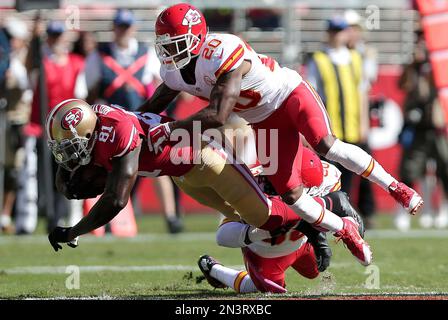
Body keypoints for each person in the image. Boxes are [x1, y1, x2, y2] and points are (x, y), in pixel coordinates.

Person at [137, 3, 422, 264]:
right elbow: (151, 108)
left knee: (326, 145)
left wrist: (170, 128)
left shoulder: (220, 51)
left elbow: (218, 116)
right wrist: (132, 123)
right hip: (263, 121)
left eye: (176, 44)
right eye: (165, 46)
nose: (170, 53)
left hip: (288, 94)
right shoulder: (173, 72)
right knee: (292, 195)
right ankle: (344, 229)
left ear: (197, 38)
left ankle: (396, 187)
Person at [45, 99, 366, 269]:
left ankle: (329, 206)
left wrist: (74, 231)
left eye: (73, 147)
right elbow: (81, 172)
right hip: (182, 172)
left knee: (262, 216)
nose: (71, 156)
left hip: (205, 155)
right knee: (250, 221)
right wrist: (68, 180)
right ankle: (311, 226)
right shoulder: (97, 127)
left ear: (91, 132)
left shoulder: (116, 131)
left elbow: (116, 199)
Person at [197, 151, 363, 294]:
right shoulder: (252, 187)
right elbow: (223, 235)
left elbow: (323, 205)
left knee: (314, 271)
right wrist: (261, 231)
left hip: (300, 241)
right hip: (265, 252)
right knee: (267, 289)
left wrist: (318, 231)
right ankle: (213, 269)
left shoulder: (322, 175)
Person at [86, 9, 182, 233]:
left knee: (160, 166)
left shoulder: (145, 53)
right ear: (114, 28)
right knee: (110, 171)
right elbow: (89, 91)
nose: (123, 31)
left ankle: (171, 217)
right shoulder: (99, 55)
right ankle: (107, 221)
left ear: (133, 29)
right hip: (112, 124)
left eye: (126, 27)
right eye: (120, 26)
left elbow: (160, 85)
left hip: (140, 120)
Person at [307, 16, 376, 228]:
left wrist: (364, 123)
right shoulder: (318, 59)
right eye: (334, 31)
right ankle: (334, 217)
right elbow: (311, 93)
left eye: (341, 31)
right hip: (331, 129)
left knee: (362, 172)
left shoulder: (356, 57)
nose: (338, 35)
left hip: (354, 126)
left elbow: (362, 91)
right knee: (333, 176)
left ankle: (365, 214)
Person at [395, 30, 448, 230]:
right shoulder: (413, 67)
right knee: (410, 170)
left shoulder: (440, 65)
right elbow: (403, 84)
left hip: (438, 126)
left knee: (444, 168)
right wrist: (414, 65)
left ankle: (442, 209)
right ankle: (403, 210)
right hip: (417, 126)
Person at [0, 17, 33, 233]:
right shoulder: (5, 58)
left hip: (17, 120)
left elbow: (24, 84)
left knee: (14, 170)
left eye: (14, 38)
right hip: (5, 117)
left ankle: (6, 214)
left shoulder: (24, 61)